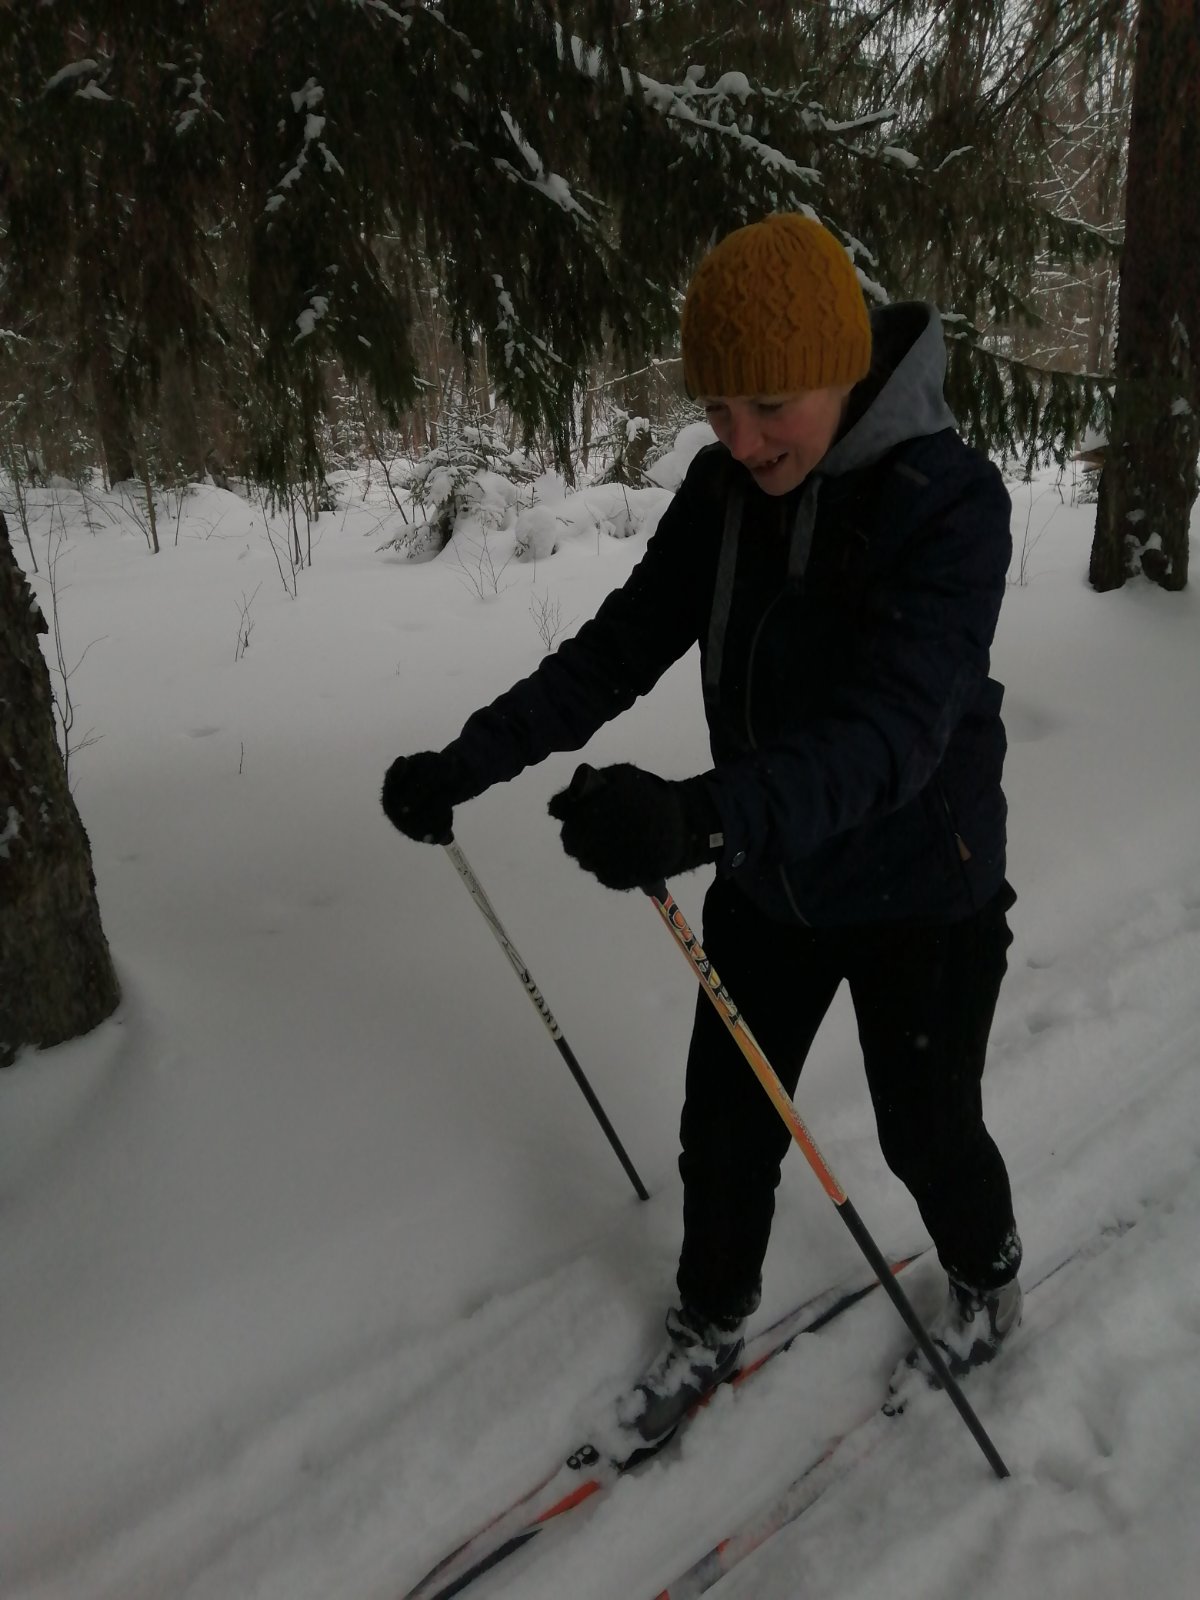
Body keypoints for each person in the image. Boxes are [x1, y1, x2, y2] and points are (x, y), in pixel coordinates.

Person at [381, 213, 1023, 1447]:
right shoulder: (726, 490)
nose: (741, 438)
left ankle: (988, 1279)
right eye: (718, 410)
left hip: (919, 887)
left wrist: (698, 815)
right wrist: (467, 763)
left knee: (925, 1126)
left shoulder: (951, 506)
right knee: (723, 1124)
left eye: (769, 402)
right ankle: (713, 1316)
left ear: (845, 365)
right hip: (771, 875)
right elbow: (622, 646)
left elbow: (895, 734)